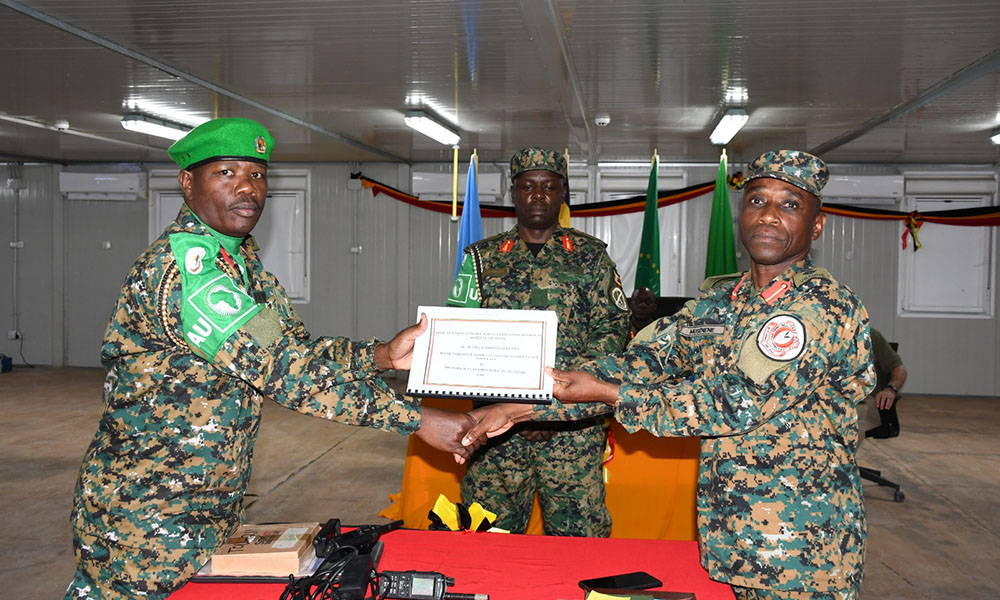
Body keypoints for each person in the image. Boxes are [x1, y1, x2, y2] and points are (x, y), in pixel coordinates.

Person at [65, 118, 482, 599]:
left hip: (205, 504)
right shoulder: (187, 269)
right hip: (147, 515)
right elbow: (285, 374)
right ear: (187, 182)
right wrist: (415, 418)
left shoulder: (239, 265)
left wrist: (380, 355)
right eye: (225, 173)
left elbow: (291, 348)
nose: (247, 188)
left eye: (258, 175)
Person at [463, 150, 877, 599]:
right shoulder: (721, 302)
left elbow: (730, 403)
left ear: (816, 225)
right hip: (731, 540)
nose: (769, 217)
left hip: (803, 550)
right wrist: (522, 404)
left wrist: (609, 393)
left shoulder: (821, 307)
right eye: (757, 201)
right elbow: (638, 362)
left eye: (789, 205)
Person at [446, 147, 631, 536]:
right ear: (512, 193)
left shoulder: (591, 258)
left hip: (571, 430)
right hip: (495, 432)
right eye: (528, 186)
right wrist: (512, 405)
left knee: (579, 542)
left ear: (563, 194)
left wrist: (546, 406)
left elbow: (611, 331)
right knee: (485, 539)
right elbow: (460, 337)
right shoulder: (481, 258)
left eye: (549, 187)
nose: (538, 195)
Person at [861, 328, 907, 439]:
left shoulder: (869, 335)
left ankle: (841, 456)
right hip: (828, 399)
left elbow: (899, 370)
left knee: (848, 422)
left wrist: (890, 389)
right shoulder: (817, 335)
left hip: (864, 400)